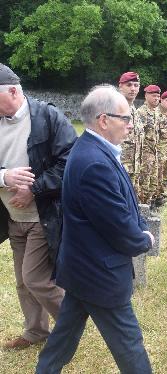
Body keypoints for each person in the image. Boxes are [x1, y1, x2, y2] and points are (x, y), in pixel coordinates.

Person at [35, 85, 154, 373]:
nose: (130, 125)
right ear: (104, 120)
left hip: (82, 269)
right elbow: (119, 228)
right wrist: (144, 239)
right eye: (125, 119)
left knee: (63, 338)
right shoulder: (94, 163)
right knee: (130, 346)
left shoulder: (91, 149)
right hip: (100, 273)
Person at [0, 63, 77, 349]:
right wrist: (4, 176)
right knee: (22, 281)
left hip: (42, 216)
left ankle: (70, 327)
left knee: (35, 278)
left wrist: (34, 188)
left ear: (12, 90)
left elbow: (70, 160)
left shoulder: (47, 116)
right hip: (11, 215)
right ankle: (35, 331)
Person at [136, 84, 161, 205]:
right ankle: (142, 208)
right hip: (145, 153)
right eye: (153, 96)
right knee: (144, 182)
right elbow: (138, 135)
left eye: (158, 96)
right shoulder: (141, 113)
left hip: (154, 151)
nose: (157, 98)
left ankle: (150, 205)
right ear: (146, 96)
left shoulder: (156, 112)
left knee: (153, 181)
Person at [118, 72, 142, 191]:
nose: (133, 89)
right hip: (119, 167)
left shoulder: (133, 109)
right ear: (120, 86)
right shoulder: (114, 109)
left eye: (136, 85)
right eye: (129, 85)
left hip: (133, 167)